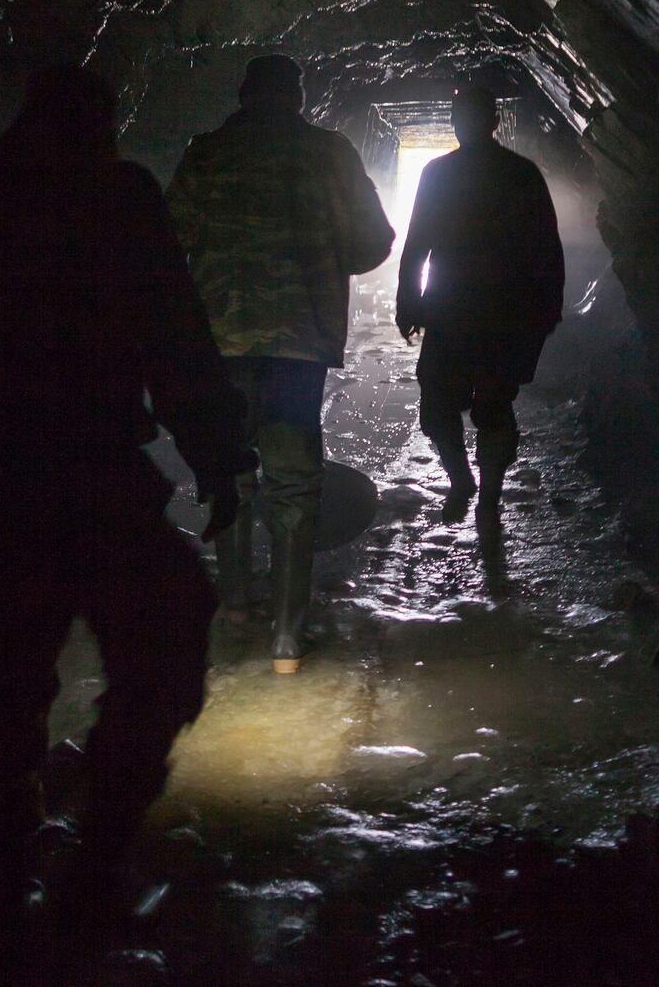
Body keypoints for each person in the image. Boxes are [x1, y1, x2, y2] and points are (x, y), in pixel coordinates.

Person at [0, 65, 253, 917]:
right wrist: (215, 452)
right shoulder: (119, 198)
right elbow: (173, 335)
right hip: (94, 479)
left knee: (0, 691)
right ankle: (94, 852)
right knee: (163, 646)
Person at [166, 55, 395, 673]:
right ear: (298, 97)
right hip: (296, 345)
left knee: (230, 470)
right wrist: (319, 254)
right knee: (293, 482)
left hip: (218, 346)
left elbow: (169, 241)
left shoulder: (205, 152)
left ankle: (236, 604)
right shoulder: (329, 152)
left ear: (242, 95)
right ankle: (288, 639)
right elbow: (374, 241)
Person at [397, 83, 565, 522]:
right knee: (487, 405)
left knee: (442, 405)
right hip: (499, 313)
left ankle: (469, 485)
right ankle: (482, 490)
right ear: (494, 121)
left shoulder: (441, 174)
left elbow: (418, 243)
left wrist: (408, 301)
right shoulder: (521, 173)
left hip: (455, 310)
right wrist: (547, 309)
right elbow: (548, 248)